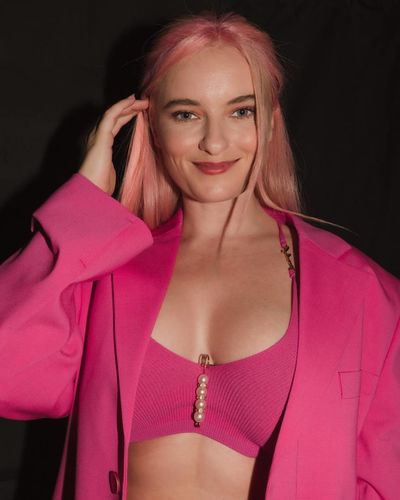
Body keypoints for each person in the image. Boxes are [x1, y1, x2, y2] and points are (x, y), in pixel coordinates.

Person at [0, 11, 399, 500]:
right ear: (150, 125)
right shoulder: (105, 269)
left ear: (272, 122)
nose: (214, 142)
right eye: (186, 114)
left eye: (241, 111)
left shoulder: (362, 293)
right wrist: (83, 207)